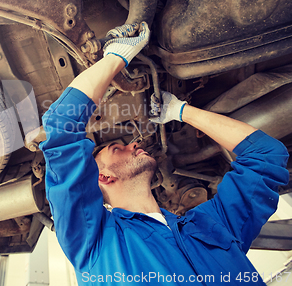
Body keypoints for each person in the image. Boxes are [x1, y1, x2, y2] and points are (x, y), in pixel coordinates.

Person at [39, 22, 289, 285]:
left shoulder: (210, 226)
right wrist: (115, 58)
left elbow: (265, 156)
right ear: (103, 177)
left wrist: (180, 110)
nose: (133, 144)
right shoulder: (94, 243)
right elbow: (61, 127)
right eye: (117, 148)